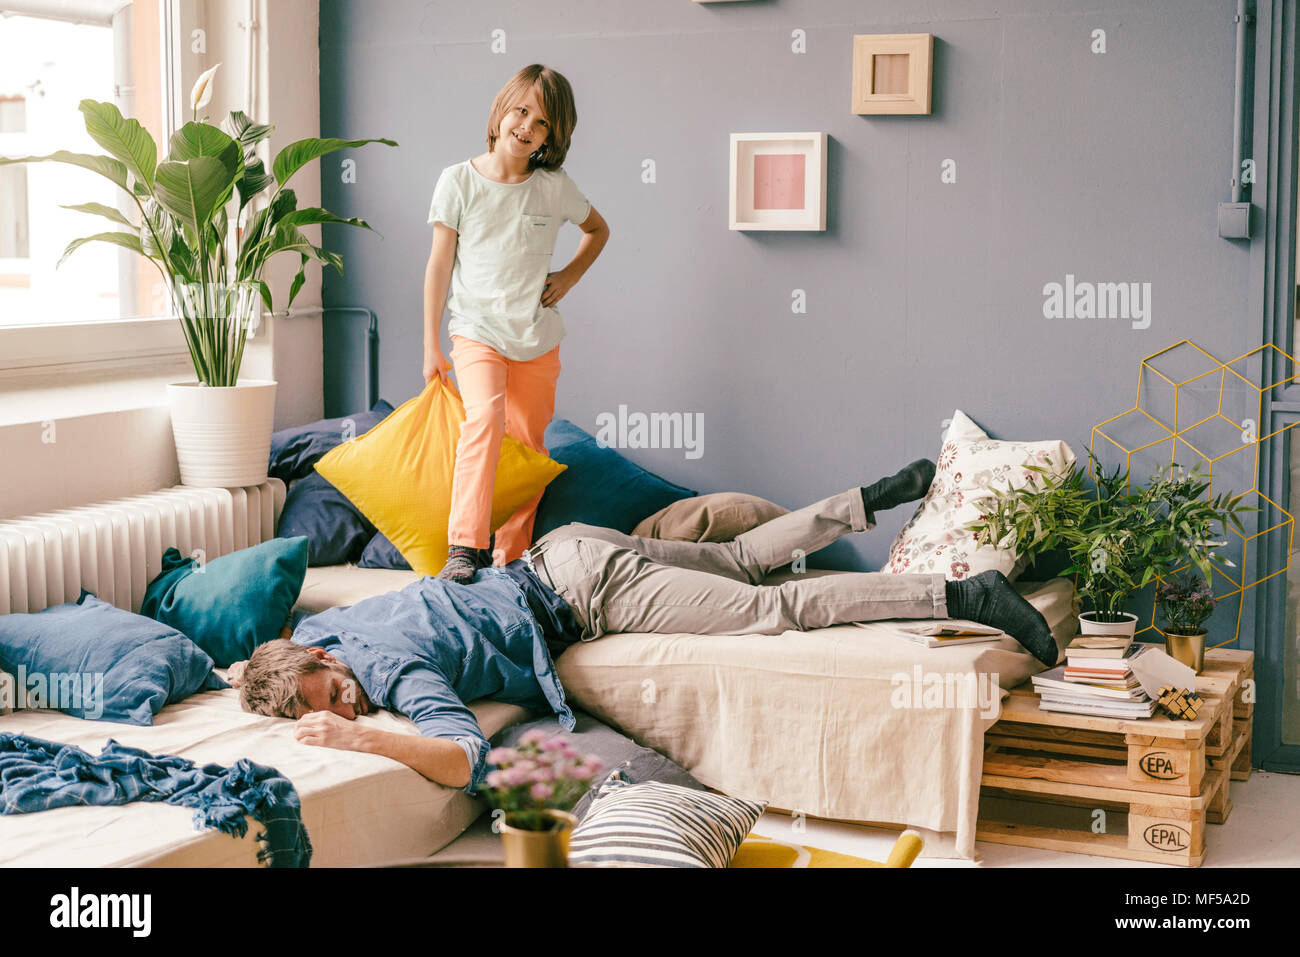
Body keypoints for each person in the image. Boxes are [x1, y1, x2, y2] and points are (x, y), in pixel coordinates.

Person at [235, 460, 1058, 792]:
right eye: (333, 703)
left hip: (588, 591)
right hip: (566, 548)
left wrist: (366, 737)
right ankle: (865, 499)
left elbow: (462, 758)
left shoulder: (392, 673)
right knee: (738, 560)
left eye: (336, 687)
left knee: (774, 610)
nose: (346, 700)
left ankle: (965, 597)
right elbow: (261, 665)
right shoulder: (333, 626)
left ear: (322, 655)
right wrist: (250, 680)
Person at [423, 63, 610, 583]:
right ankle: (465, 544)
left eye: (542, 122)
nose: (526, 126)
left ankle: (510, 556)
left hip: (535, 336)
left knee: (528, 446)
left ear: (554, 135)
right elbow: (439, 266)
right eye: (521, 111)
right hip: (475, 330)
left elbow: (598, 230)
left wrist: (568, 277)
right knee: (483, 420)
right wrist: (429, 344)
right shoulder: (458, 181)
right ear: (502, 110)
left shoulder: (554, 187)